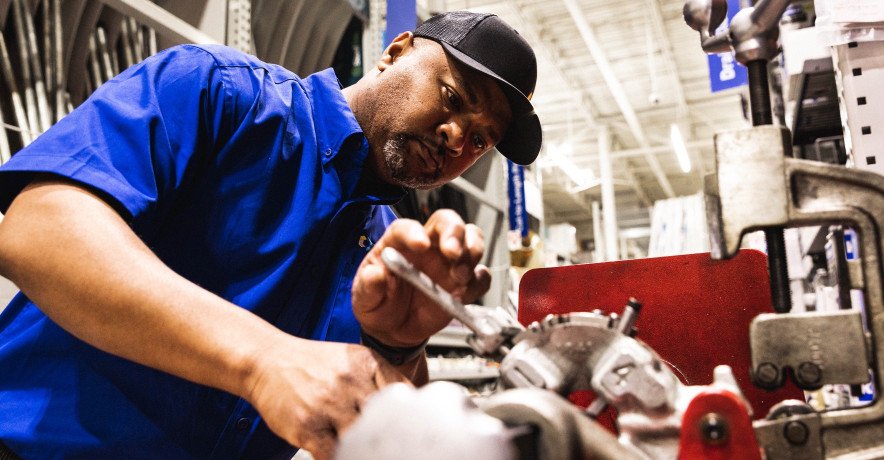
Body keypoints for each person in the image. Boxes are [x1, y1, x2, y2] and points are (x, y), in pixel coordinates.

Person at [0, 10, 540, 459]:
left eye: (479, 139)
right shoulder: (220, 92)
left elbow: (382, 432)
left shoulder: (388, 250)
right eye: (451, 97)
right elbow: (36, 228)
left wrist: (397, 346)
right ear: (396, 51)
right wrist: (262, 361)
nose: (455, 139)